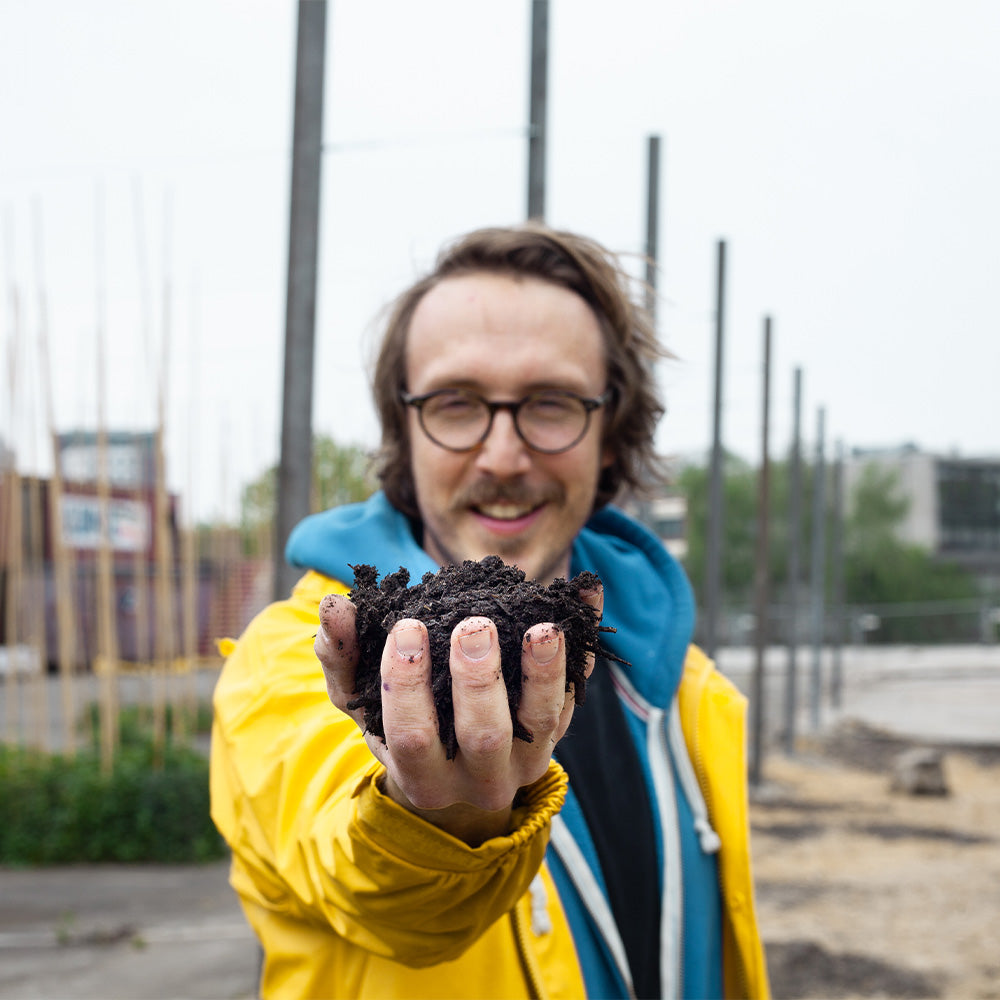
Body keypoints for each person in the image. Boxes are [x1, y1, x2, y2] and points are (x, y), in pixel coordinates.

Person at [210, 223, 770, 999]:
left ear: (611, 431)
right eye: (456, 403)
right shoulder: (292, 659)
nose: (503, 457)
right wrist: (431, 820)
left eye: (550, 404)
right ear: (405, 430)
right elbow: (363, 877)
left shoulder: (677, 680)